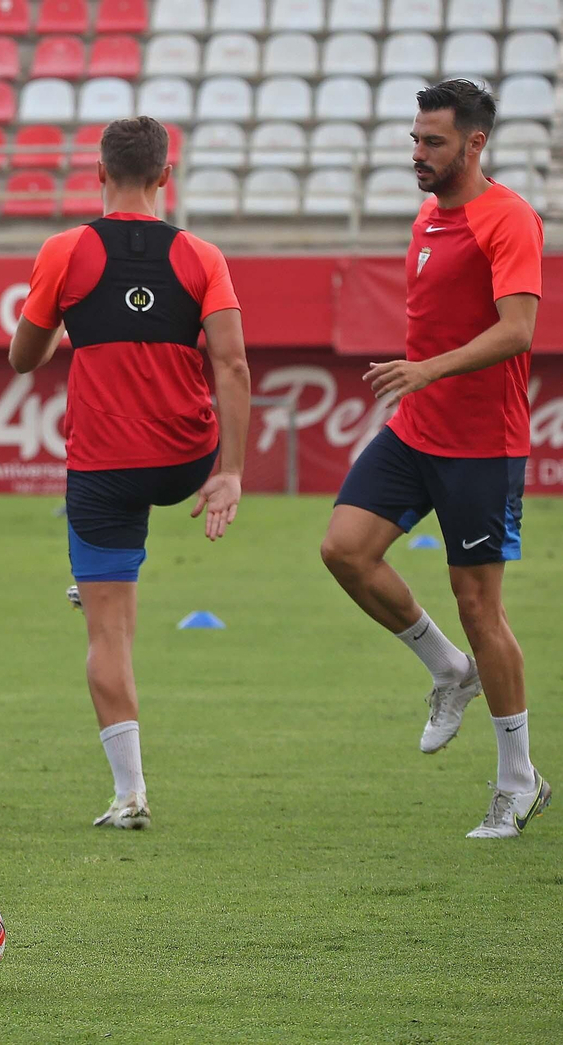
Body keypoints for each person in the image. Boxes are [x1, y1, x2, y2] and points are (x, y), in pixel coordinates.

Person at [9, 116, 251, 830]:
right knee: (110, 591)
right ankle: (96, 577)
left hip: (106, 469)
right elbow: (233, 364)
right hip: (187, 460)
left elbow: (24, 357)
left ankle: (130, 794)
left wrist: (60, 322)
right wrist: (230, 471)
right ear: (165, 177)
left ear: (98, 172)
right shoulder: (203, 255)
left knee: (107, 633)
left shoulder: (66, 249)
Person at [320, 80, 546, 838]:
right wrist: (423, 382)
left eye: (434, 142)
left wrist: (429, 367)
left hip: (484, 443)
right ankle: (450, 670)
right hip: (418, 428)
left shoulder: (508, 218)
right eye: (415, 139)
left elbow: (519, 330)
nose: (417, 154)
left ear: (474, 144)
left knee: (480, 604)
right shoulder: (427, 212)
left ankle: (518, 781)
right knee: (345, 549)